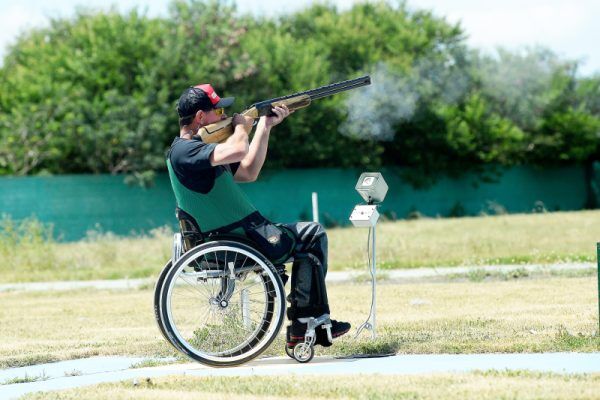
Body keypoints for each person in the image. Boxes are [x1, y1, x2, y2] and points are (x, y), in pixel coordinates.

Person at [166, 83, 351, 347]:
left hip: (238, 235)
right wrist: (242, 126)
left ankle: (309, 323)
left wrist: (264, 127)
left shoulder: (199, 152)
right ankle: (307, 323)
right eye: (218, 111)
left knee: (308, 241)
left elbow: (248, 171)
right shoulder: (188, 151)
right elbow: (239, 150)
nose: (222, 116)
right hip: (240, 236)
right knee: (312, 235)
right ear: (199, 117)